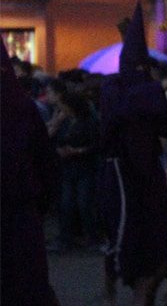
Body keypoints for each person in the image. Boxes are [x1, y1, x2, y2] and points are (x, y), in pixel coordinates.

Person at [97, 3, 167, 305]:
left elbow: (166, 122)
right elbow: (120, 111)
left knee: (153, 235)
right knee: (122, 232)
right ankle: (112, 290)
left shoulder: (146, 88)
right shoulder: (113, 87)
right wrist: (155, 91)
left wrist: (158, 94)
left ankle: (145, 295)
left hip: (148, 171)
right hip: (121, 171)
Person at [1, 43, 61, 306]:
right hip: (22, 213)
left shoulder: (21, 108)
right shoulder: (23, 108)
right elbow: (46, 164)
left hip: (20, 212)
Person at [49, 89, 101, 252]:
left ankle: (91, 237)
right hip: (68, 166)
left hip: (84, 166)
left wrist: (78, 150)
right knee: (66, 203)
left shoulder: (89, 122)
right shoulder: (64, 122)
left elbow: (96, 144)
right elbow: (53, 138)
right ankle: (68, 237)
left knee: (84, 203)